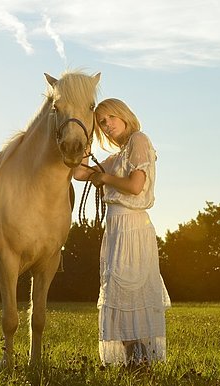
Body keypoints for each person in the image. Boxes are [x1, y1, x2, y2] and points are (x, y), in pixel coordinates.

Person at [74, 98, 171, 367]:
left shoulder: (139, 140)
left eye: (111, 119)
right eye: (101, 123)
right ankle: (135, 360)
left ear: (124, 116)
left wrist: (104, 179)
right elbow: (80, 173)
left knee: (130, 291)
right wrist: (85, 137)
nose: (107, 125)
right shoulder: (117, 157)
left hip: (132, 227)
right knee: (118, 292)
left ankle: (141, 360)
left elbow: (136, 186)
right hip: (116, 229)